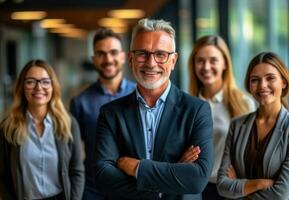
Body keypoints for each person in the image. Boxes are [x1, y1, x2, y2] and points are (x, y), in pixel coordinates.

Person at [94, 18, 214, 199]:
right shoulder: (110, 113)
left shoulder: (197, 110)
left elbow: (197, 179)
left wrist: (137, 168)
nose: (151, 63)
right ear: (130, 59)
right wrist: (173, 173)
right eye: (142, 53)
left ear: (173, 61)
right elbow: (104, 178)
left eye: (160, 54)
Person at [217, 52, 289, 199]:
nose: (262, 85)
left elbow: (281, 195)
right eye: (255, 80)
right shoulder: (237, 125)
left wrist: (240, 187)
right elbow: (223, 186)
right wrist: (259, 184)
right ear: (249, 86)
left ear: (284, 82)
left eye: (270, 78)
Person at [0, 59, 84, 200]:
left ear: (53, 87)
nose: (39, 87)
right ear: (22, 87)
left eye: (45, 81)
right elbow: (3, 176)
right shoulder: (8, 128)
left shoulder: (68, 124)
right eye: (30, 82)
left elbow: (77, 171)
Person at [70, 28, 136, 199]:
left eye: (113, 52)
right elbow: (73, 153)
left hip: (133, 187)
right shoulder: (79, 102)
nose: (108, 59)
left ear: (123, 56)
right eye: (101, 54)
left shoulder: (140, 96)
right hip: (94, 190)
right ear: (94, 59)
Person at [188, 35, 255, 199]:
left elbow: (252, 151)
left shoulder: (244, 103)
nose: (206, 66)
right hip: (194, 188)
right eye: (200, 61)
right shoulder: (187, 104)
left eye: (213, 60)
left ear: (225, 63)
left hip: (231, 188)